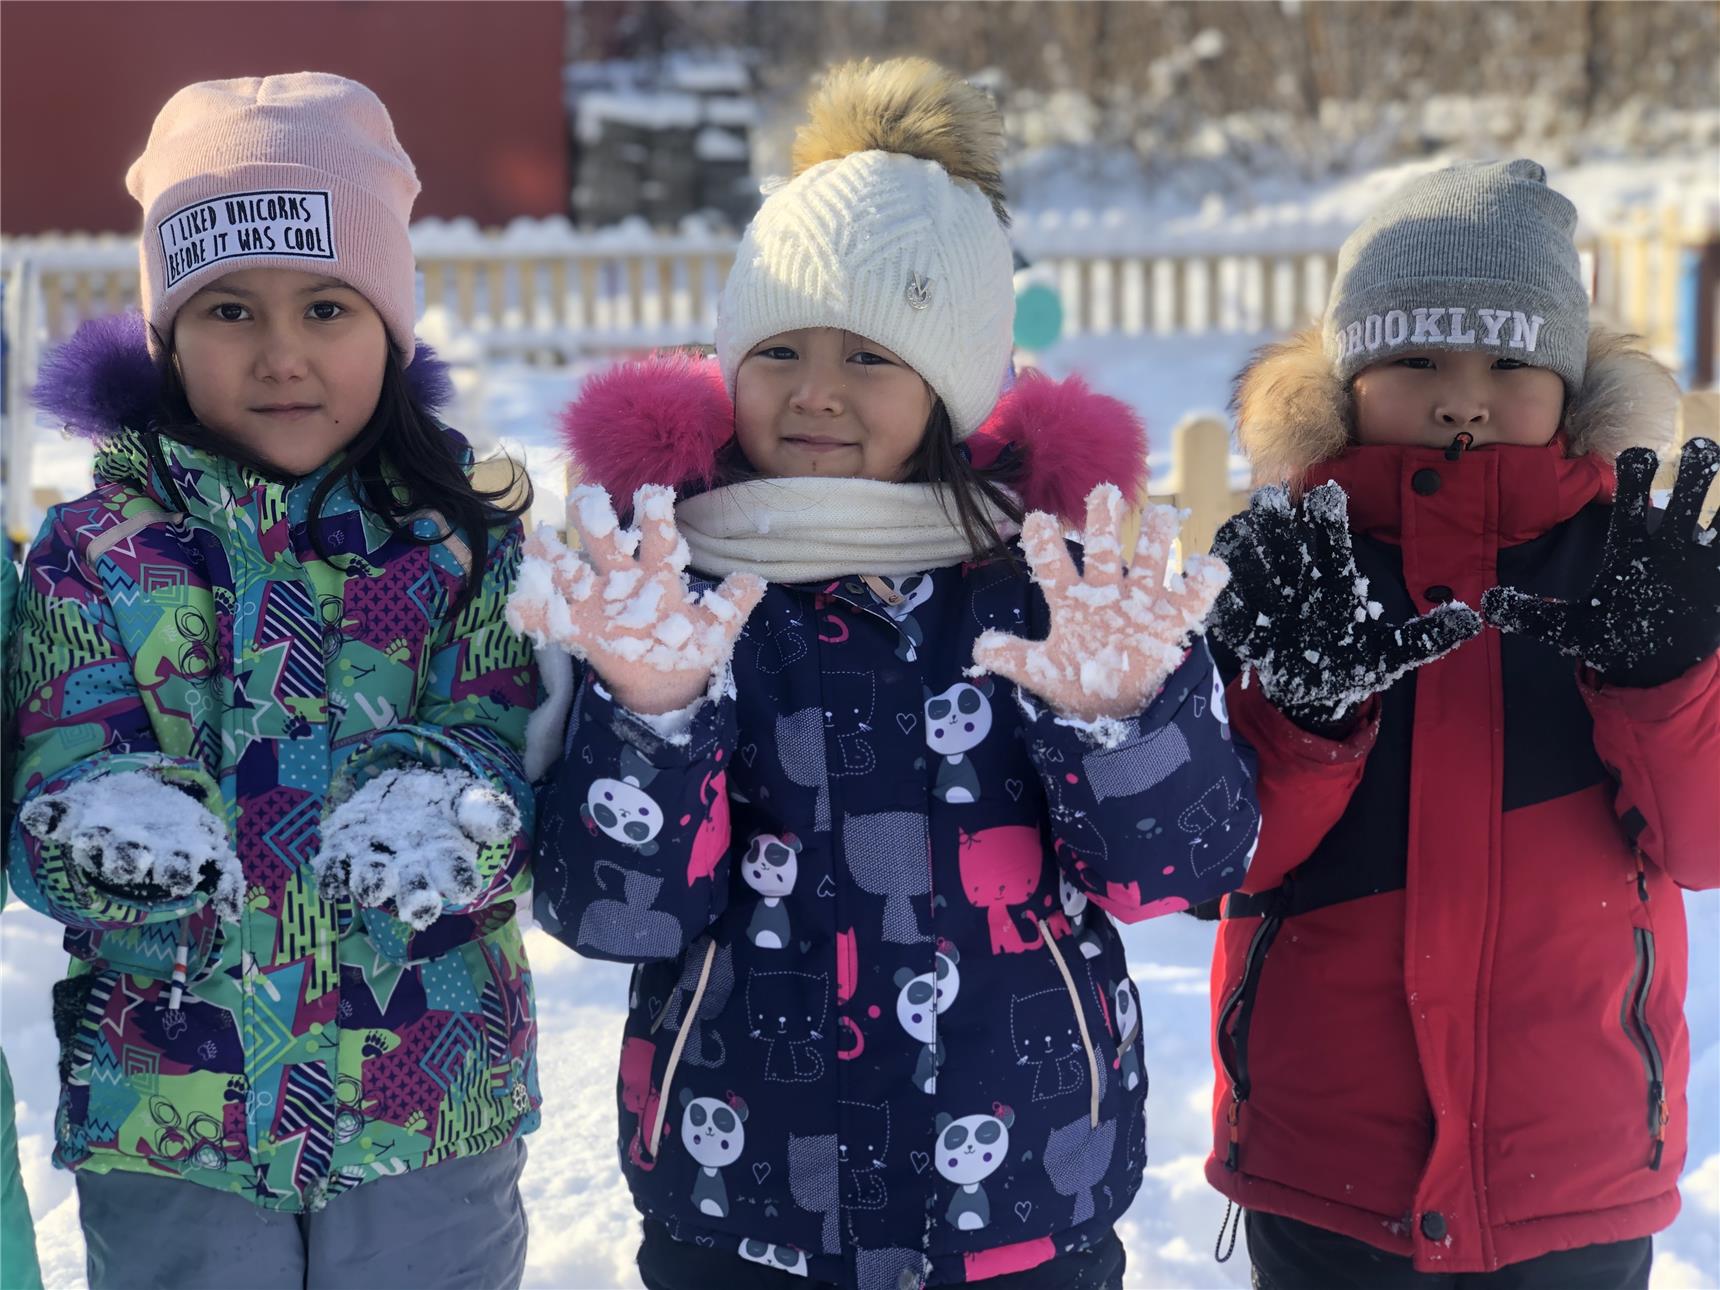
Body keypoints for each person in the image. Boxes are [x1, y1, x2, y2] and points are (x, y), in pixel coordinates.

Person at [508, 57, 1261, 1290]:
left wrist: (1124, 720)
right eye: (780, 348)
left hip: (1023, 1187)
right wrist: (651, 717)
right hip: (739, 1200)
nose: (814, 390)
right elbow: (612, 916)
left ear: (953, 381)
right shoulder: (667, 583)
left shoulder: (1052, 586)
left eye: (868, 355)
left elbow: (1185, 873)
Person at [7, 73, 540, 1290]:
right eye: (231, 310)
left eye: (327, 308)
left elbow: (508, 730)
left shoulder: (464, 539)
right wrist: (100, 820)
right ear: (167, 336)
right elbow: (53, 759)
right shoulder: (95, 550)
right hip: (172, 1106)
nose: (282, 354)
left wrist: (452, 804)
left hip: (427, 1093)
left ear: (391, 328)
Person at [1203, 157, 1719, 1289]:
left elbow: (1701, 844)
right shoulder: (1297, 568)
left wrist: (1667, 678)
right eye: (1417, 359)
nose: (1462, 397)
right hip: (1328, 1152)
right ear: (1347, 376)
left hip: (1570, 1159)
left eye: (1509, 361)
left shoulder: (1629, 571)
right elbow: (1220, 858)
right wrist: (1304, 717)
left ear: (1571, 384)